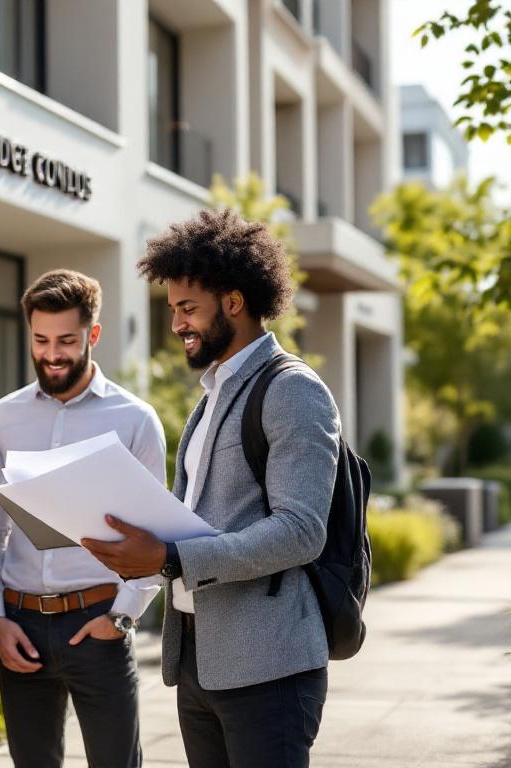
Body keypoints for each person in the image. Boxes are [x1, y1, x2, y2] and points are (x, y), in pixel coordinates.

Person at [82, 209, 341, 768]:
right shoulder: (212, 397)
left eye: (187, 308)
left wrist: (172, 555)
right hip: (200, 656)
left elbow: (301, 532)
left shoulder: (292, 390)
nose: (176, 323)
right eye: (173, 308)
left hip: (268, 665)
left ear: (234, 302)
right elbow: (201, 518)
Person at [0, 269, 167, 768]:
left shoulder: (135, 419)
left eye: (66, 341)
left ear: (92, 335)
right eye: (40, 340)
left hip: (97, 622)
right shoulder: (4, 416)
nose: (52, 354)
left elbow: (157, 534)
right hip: (20, 626)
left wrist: (123, 614)